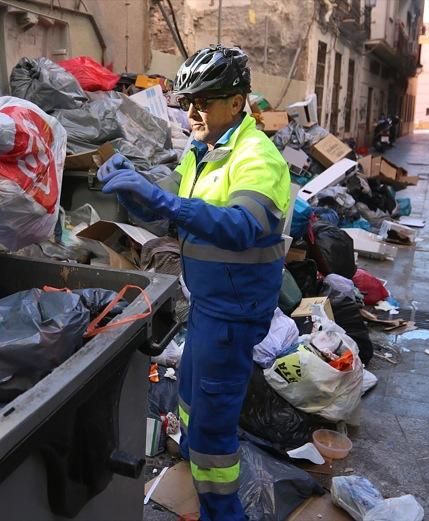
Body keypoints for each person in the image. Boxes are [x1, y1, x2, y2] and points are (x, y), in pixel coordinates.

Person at [98, 45, 290, 521]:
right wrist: (134, 186)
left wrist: (162, 204)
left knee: (210, 424)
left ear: (237, 101)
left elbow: (242, 226)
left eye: (205, 100)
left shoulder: (256, 157)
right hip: (207, 304)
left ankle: (221, 512)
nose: (192, 111)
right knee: (189, 397)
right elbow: (171, 213)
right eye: (187, 101)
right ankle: (200, 477)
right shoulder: (201, 151)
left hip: (233, 313)